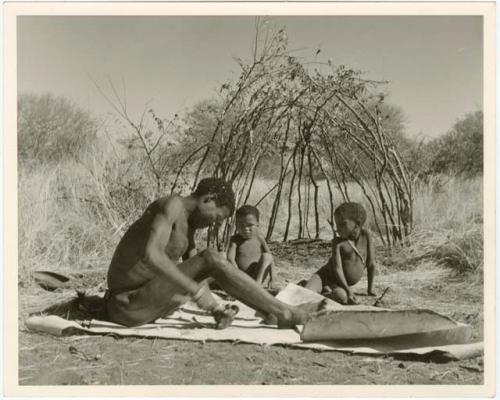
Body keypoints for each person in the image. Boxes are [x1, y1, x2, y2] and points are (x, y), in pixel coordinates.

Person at [105, 177, 323, 329]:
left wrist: (216, 309)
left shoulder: (188, 226)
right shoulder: (172, 205)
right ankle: (284, 313)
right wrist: (194, 291)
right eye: (217, 218)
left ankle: (271, 311)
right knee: (211, 257)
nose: (213, 225)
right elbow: (151, 256)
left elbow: (198, 273)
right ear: (207, 199)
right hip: (126, 303)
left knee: (214, 264)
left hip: (150, 300)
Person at [303, 202, 377, 305]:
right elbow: (337, 269)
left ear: (358, 224)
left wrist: (370, 289)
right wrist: (349, 290)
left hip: (339, 284)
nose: (338, 229)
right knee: (306, 294)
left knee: (341, 297)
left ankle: (325, 292)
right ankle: (312, 286)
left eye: (342, 224)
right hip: (323, 277)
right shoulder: (338, 243)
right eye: (337, 225)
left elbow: (371, 264)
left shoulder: (366, 236)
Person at [227, 205, 275, 289]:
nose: (245, 228)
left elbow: (270, 259)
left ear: (257, 224)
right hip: (239, 277)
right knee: (222, 255)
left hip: (257, 277)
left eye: (250, 225)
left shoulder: (259, 238)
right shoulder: (235, 240)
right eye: (241, 225)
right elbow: (230, 258)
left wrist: (273, 279)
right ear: (236, 225)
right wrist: (238, 275)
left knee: (267, 256)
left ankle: (257, 286)